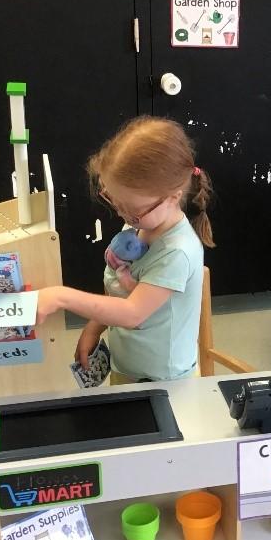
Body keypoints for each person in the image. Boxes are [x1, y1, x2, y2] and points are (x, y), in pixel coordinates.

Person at [36, 117, 214, 384]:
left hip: (162, 382)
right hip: (128, 365)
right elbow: (118, 288)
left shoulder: (177, 252)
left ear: (174, 195)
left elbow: (132, 313)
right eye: (114, 200)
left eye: (132, 208)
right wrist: (95, 326)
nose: (122, 213)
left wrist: (62, 297)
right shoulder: (139, 224)